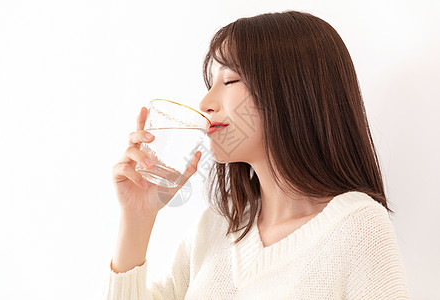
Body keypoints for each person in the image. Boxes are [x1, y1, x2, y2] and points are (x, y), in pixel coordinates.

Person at [103, 10, 410, 299]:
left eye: (230, 80)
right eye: (211, 83)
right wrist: (137, 219)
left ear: (293, 92)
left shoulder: (357, 226)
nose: (206, 103)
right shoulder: (216, 227)